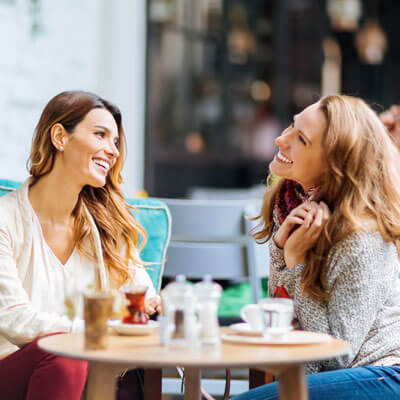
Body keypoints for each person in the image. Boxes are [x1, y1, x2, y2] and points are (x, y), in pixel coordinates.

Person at [233, 94, 400, 400]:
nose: (280, 139)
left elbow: (333, 360)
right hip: (336, 376)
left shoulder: (362, 238)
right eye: (291, 126)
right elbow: (282, 318)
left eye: (301, 140)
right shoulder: (291, 207)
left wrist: (294, 260)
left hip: (384, 375)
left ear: (334, 164)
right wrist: (281, 248)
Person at [0, 91, 161, 400]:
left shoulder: (110, 225)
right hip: (11, 372)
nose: (112, 151)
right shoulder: (5, 220)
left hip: (93, 375)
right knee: (65, 356)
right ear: (60, 136)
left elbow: (140, 299)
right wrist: (93, 331)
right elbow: (12, 318)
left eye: (115, 141)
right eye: (100, 134)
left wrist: (153, 308)